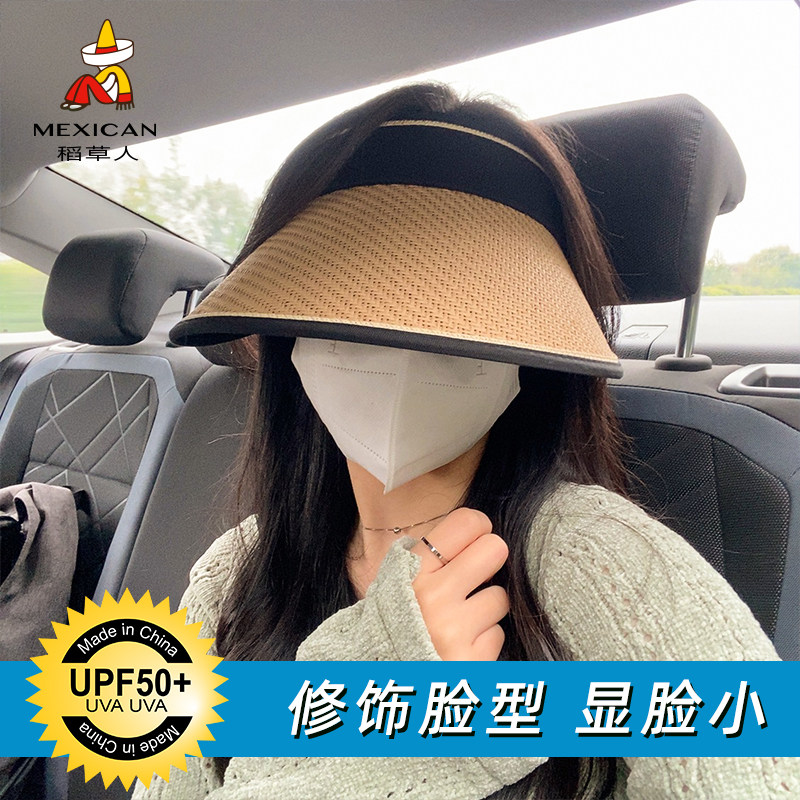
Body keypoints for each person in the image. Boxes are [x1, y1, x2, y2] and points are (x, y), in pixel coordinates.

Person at [138, 83, 798, 799]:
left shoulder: (602, 561)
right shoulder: (231, 573)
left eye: (457, 324)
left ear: (530, 362)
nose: (402, 355)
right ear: (288, 338)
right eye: (354, 312)